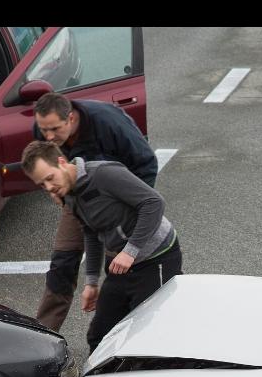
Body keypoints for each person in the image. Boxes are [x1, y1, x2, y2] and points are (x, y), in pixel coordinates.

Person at [20, 139, 183, 355]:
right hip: (123, 265)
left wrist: (129, 251)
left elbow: (154, 203)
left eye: (50, 178)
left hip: (157, 256)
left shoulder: (104, 174)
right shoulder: (69, 194)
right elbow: (91, 231)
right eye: (42, 184)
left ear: (61, 162)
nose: (49, 187)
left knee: (149, 332)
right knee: (99, 335)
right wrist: (92, 282)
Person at [29, 92, 159, 334]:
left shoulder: (108, 123)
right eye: (43, 129)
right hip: (77, 198)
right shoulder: (45, 129)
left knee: (121, 270)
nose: (48, 136)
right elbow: (44, 162)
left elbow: (147, 164)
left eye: (54, 129)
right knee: (62, 264)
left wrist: (130, 212)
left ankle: (135, 335)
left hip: (118, 199)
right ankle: (43, 336)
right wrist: (58, 193)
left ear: (70, 118)